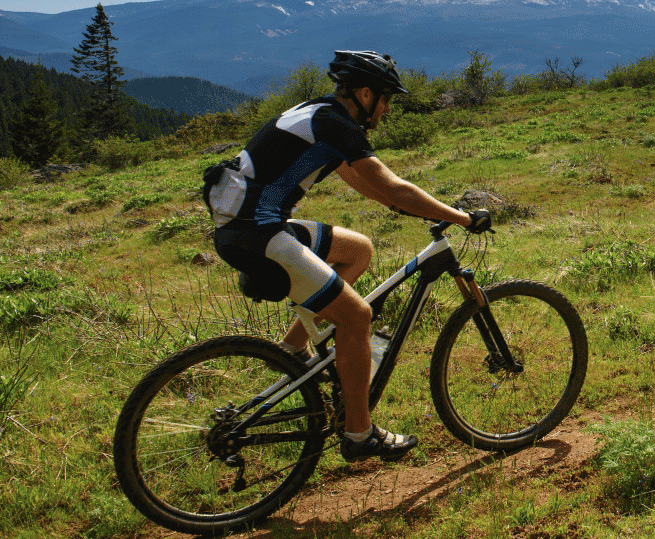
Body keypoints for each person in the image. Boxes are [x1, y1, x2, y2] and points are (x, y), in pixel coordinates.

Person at [203, 50, 491, 462]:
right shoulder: (336, 125)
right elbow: (392, 186)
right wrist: (461, 218)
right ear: (365, 92)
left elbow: (361, 179)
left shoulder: (317, 113)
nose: (388, 109)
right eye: (386, 99)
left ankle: (293, 351)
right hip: (258, 232)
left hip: (247, 227)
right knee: (357, 318)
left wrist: (402, 206)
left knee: (358, 250)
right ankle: (360, 434)